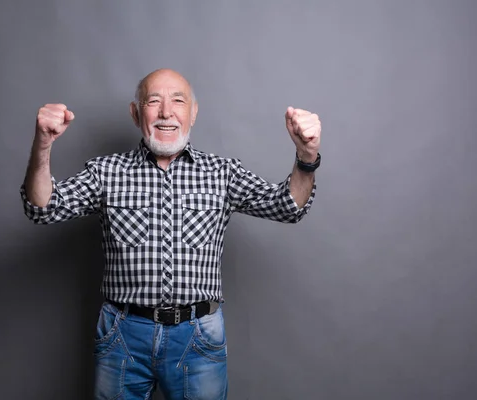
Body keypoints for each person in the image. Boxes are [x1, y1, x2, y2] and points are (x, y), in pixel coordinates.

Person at [20, 68, 321, 400]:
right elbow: (43, 208)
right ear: (136, 114)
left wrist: (306, 158)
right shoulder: (106, 172)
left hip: (198, 336)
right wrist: (43, 145)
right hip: (123, 334)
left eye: (178, 101)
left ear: (193, 113)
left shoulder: (222, 173)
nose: (166, 112)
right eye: (153, 101)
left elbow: (288, 207)